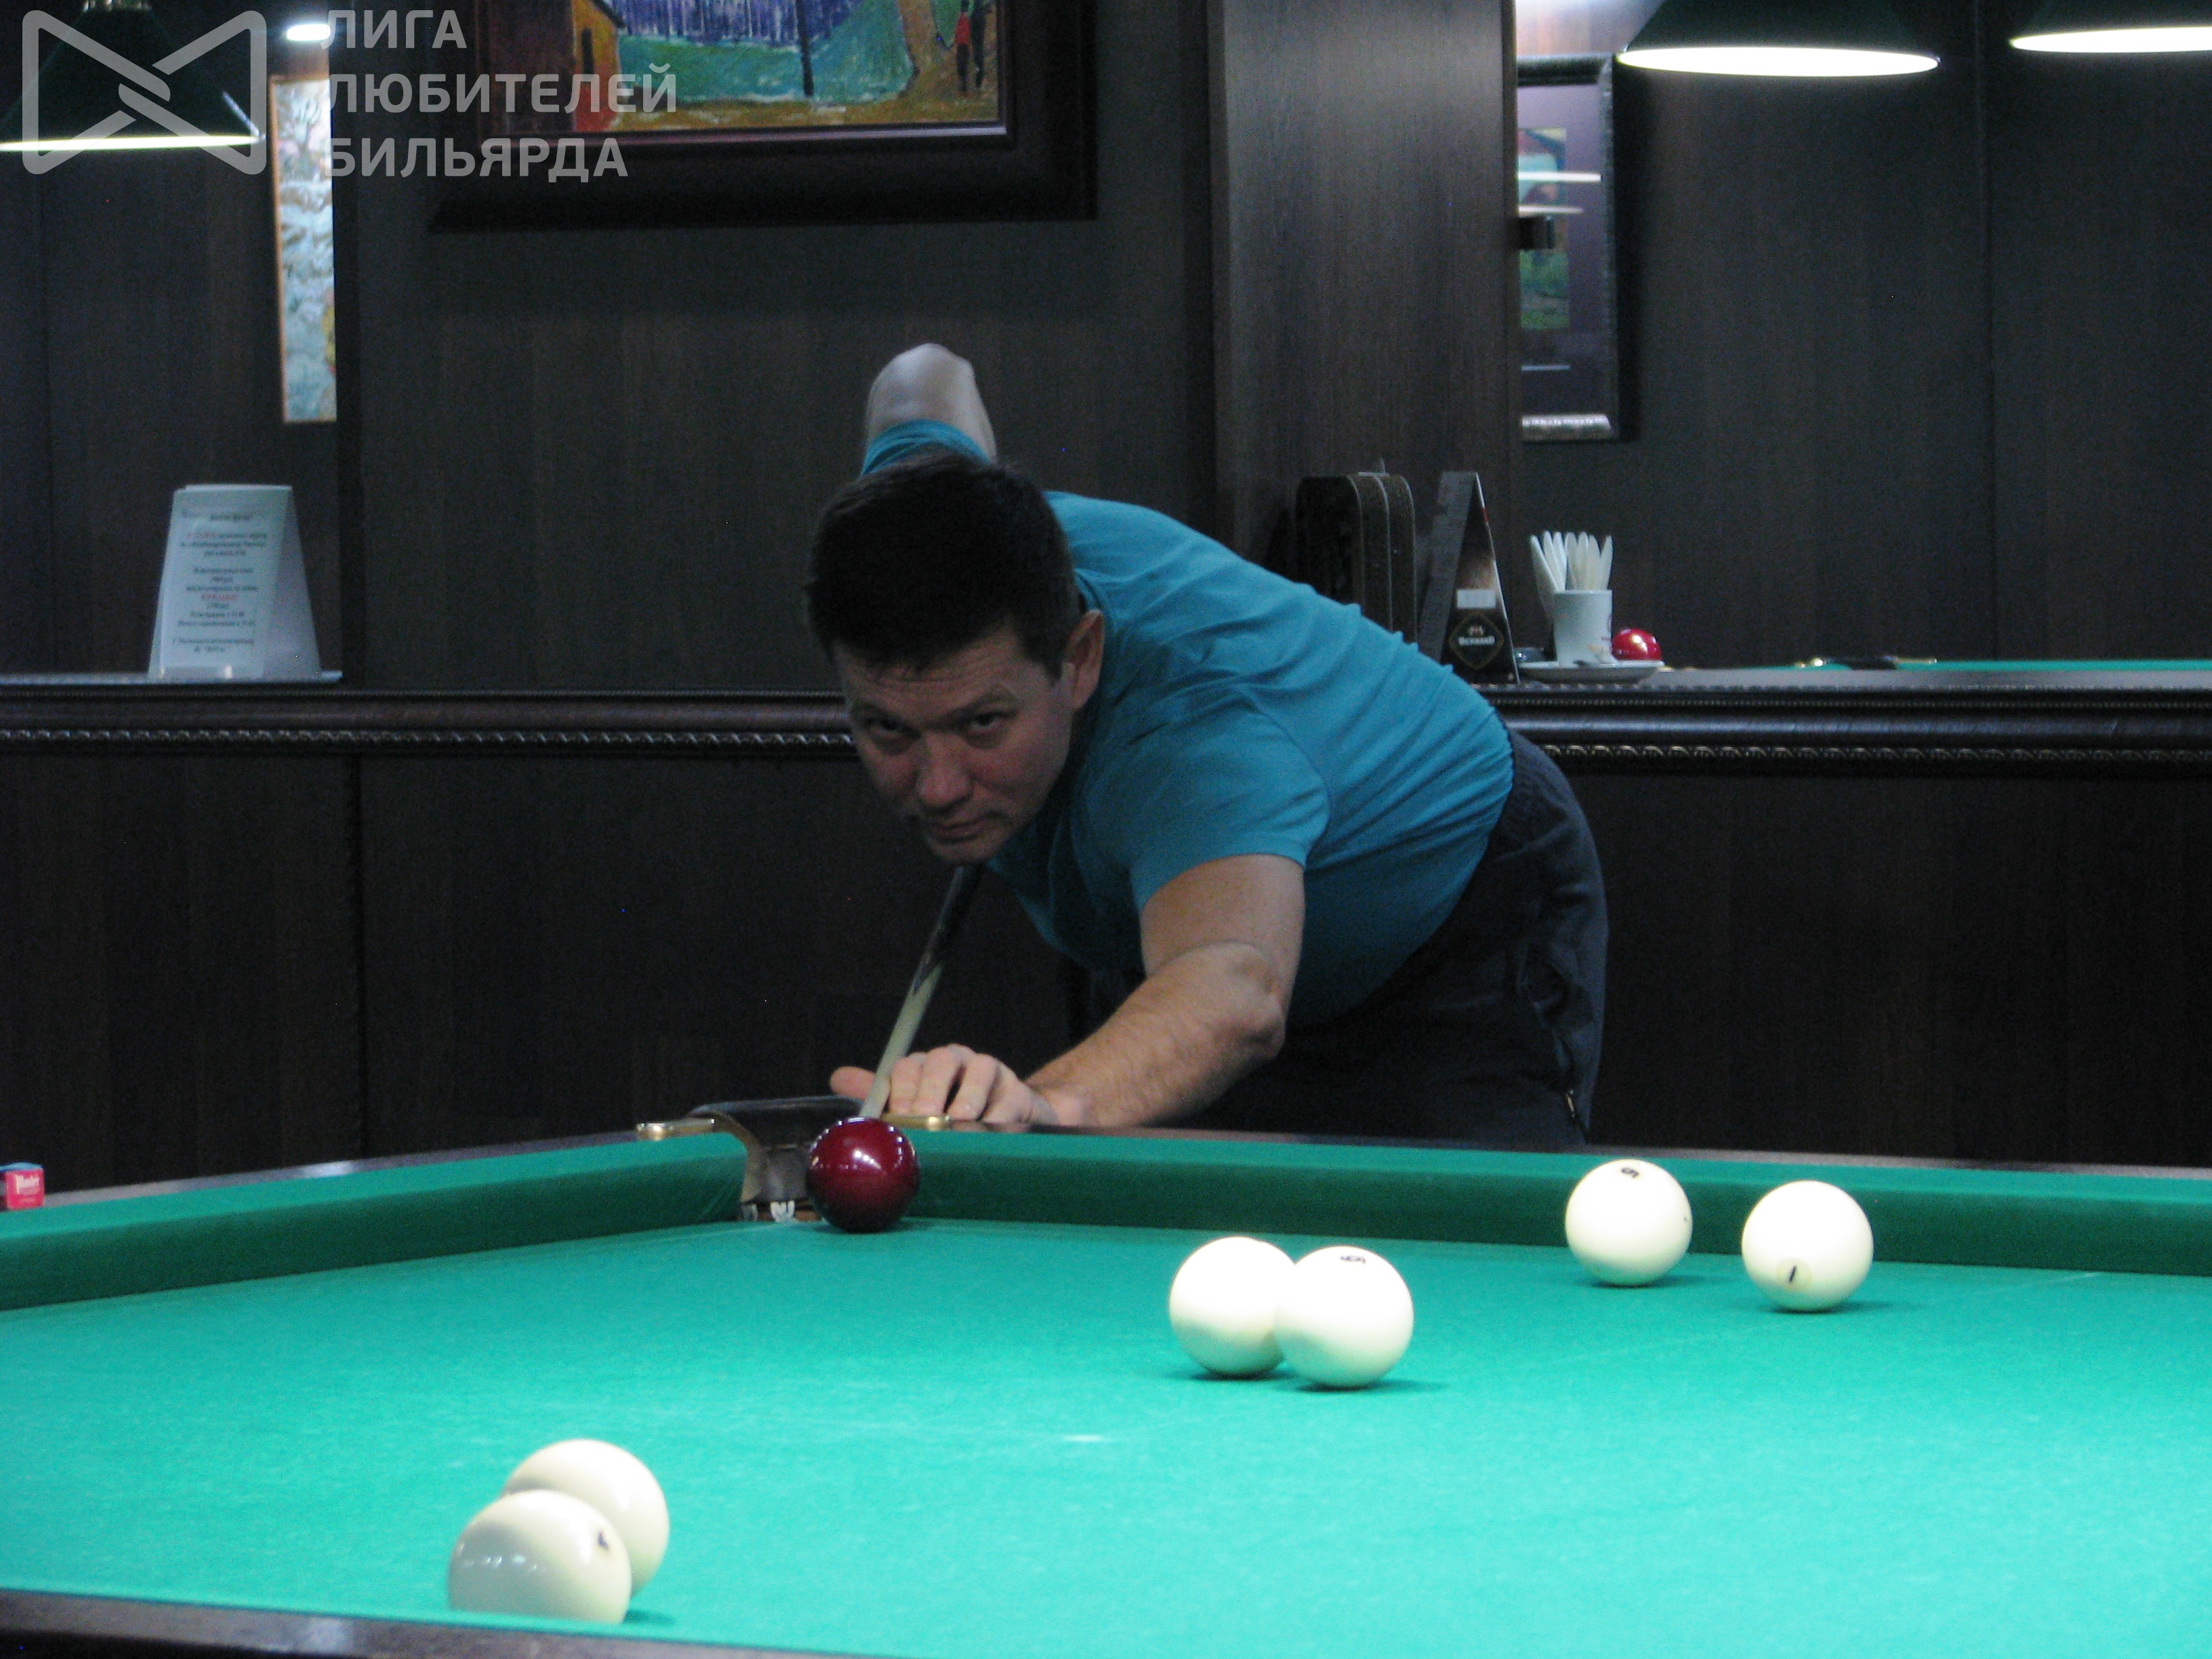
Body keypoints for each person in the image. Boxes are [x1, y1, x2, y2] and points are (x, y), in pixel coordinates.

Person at [809, 345, 1606, 1147]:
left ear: (1079, 660)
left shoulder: (1190, 736)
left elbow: (1234, 996)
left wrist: (1040, 1105)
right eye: (889, 730)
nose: (938, 787)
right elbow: (923, 374)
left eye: (982, 724)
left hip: (1454, 912)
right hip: (1192, 931)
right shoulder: (917, 522)